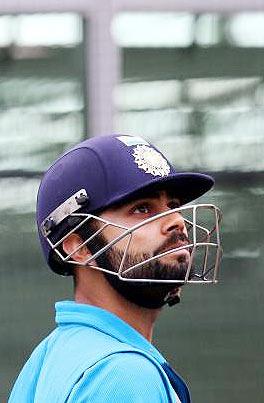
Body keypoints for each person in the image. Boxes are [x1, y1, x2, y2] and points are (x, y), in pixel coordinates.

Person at [9, 134, 222, 403]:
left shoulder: (49, 358)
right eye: (142, 208)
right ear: (79, 247)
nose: (176, 221)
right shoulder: (124, 374)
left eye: (173, 205)